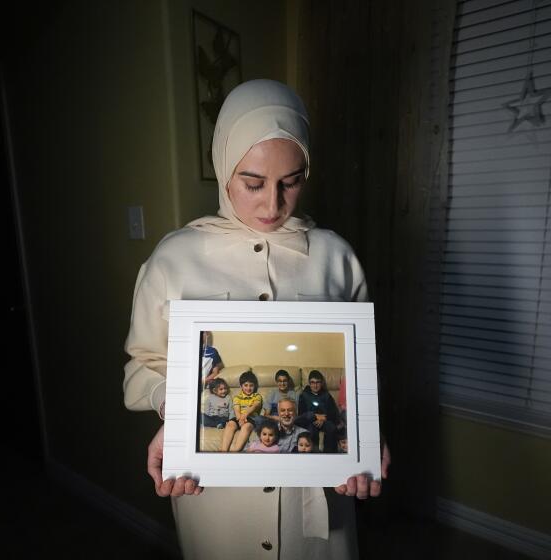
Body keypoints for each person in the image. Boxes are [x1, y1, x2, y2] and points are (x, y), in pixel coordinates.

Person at [122, 79, 389, 560]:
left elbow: (357, 372)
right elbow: (144, 364)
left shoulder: (337, 257)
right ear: (223, 166)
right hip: (216, 500)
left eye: (292, 181)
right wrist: (178, 412)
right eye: (253, 182)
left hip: (318, 497)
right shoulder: (172, 259)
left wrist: (366, 435)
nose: (272, 205)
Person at [297, 370, 341, 452]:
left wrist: (324, 418)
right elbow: (301, 414)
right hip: (310, 421)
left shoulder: (327, 395)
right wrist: (315, 417)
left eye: (318, 382)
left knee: (331, 428)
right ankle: (312, 454)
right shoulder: (304, 395)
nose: (315, 385)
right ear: (309, 383)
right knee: (311, 430)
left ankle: (329, 454)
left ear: (321, 383)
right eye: (312, 382)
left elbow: (334, 413)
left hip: (325, 421)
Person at [221, 371, 263, 452]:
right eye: (245, 385)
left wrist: (245, 415)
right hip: (238, 417)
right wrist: (240, 418)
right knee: (230, 424)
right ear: (241, 386)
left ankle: (235, 451)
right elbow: (236, 409)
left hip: (251, 418)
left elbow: (255, 406)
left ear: (255, 386)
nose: (248, 388)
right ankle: (223, 451)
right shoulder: (237, 397)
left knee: (246, 427)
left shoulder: (257, 396)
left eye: (251, 385)